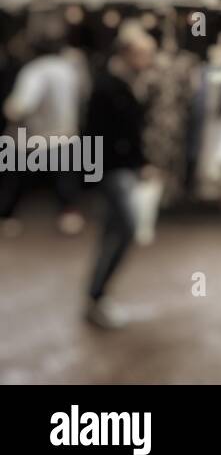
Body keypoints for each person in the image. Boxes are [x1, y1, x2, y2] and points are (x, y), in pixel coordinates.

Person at [83, 21, 157, 329]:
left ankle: (97, 295)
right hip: (112, 170)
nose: (147, 60)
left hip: (123, 168)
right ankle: (97, 295)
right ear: (128, 53)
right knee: (125, 229)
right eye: (143, 54)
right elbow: (95, 133)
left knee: (114, 232)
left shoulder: (130, 83)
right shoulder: (107, 85)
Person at [2, 37, 89, 237]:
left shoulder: (34, 70)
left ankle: (7, 217)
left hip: (36, 135)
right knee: (65, 177)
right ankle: (69, 217)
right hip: (65, 133)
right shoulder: (68, 69)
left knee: (16, 177)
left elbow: (22, 104)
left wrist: (10, 112)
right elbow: (83, 95)